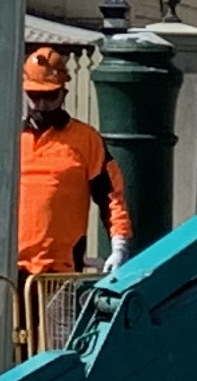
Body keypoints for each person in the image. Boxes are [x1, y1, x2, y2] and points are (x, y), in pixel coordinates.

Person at [15, 47, 131, 280]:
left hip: (61, 273)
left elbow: (111, 197)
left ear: (63, 93)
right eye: (35, 95)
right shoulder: (11, 139)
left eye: (50, 96)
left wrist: (119, 245)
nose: (42, 104)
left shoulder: (86, 140)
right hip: (10, 269)